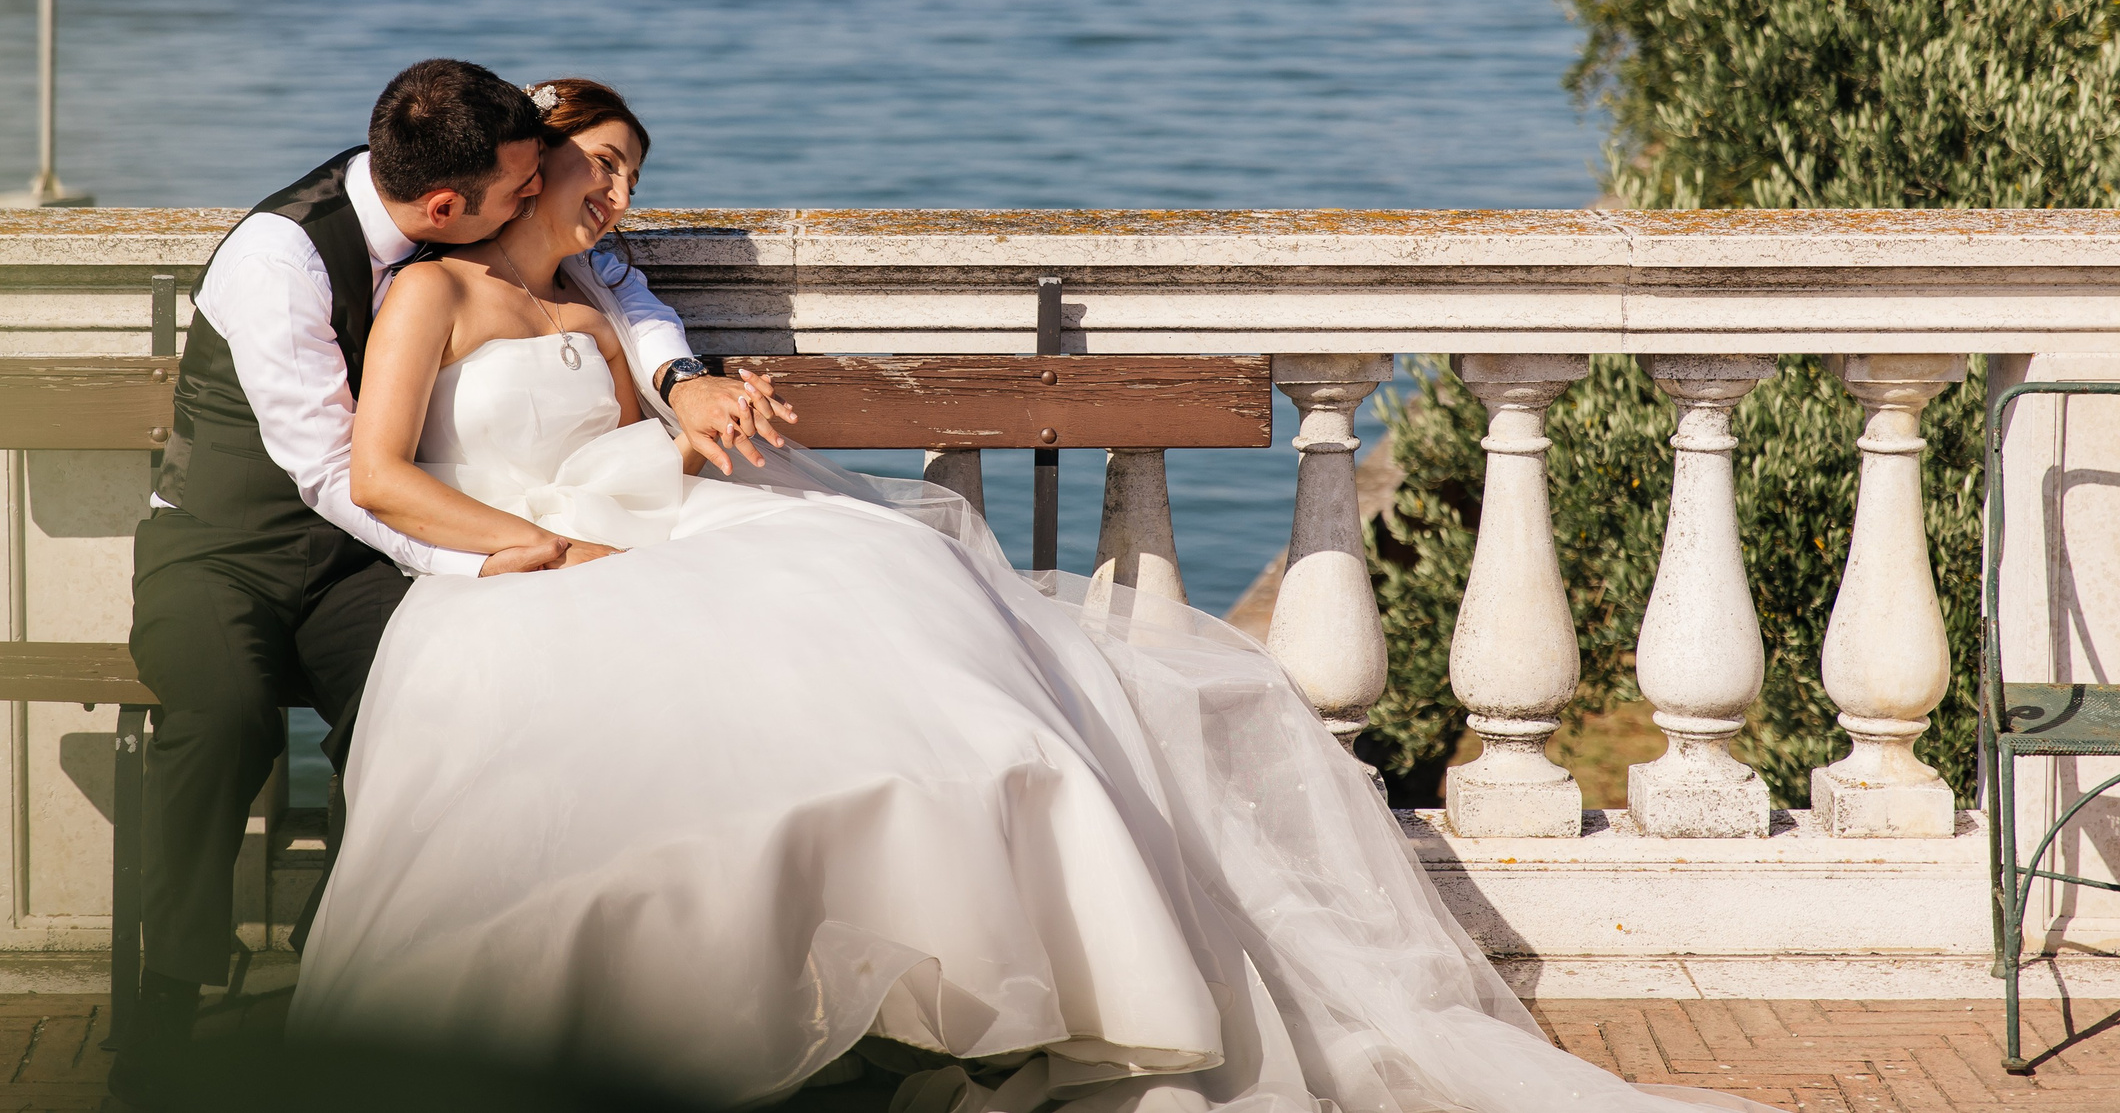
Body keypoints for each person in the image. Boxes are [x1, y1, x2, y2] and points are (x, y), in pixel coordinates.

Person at [289, 80, 1776, 1113]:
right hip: (526, 556)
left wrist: (686, 397)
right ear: (510, 175)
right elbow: (377, 470)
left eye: (623, 170)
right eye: (583, 167)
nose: (606, 194)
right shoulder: (436, 289)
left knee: (914, 649)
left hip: (655, 522)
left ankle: (931, 1004)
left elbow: (651, 364)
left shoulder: (599, 292)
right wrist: (524, 546)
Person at [116, 61, 786, 1107]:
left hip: (357, 560)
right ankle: (169, 990)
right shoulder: (281, 257)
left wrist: (682, 376)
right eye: (522, 186)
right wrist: (499, 558)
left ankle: (353, 948)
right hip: (223, 549)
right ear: (444, 206)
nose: (537, 196)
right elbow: (338, 473)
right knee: (222, 709)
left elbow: (622, 289)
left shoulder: (469, 212)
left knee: (430, 699)